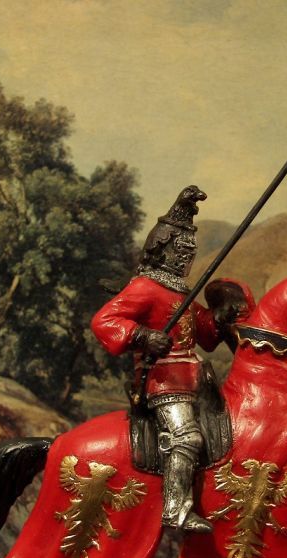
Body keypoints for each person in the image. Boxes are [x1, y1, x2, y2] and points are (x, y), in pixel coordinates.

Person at [91, 186, 221, 534]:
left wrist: (223, 315)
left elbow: (206, 333)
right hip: (164, 382)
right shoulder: (145, 287)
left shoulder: (181, 291)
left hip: (196, 381)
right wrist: (143, 336)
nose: (186, 259)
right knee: (186, 438)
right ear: (163, 250)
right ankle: (175, 510)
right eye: (181, 251)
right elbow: (104, 321)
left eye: (191, 253)